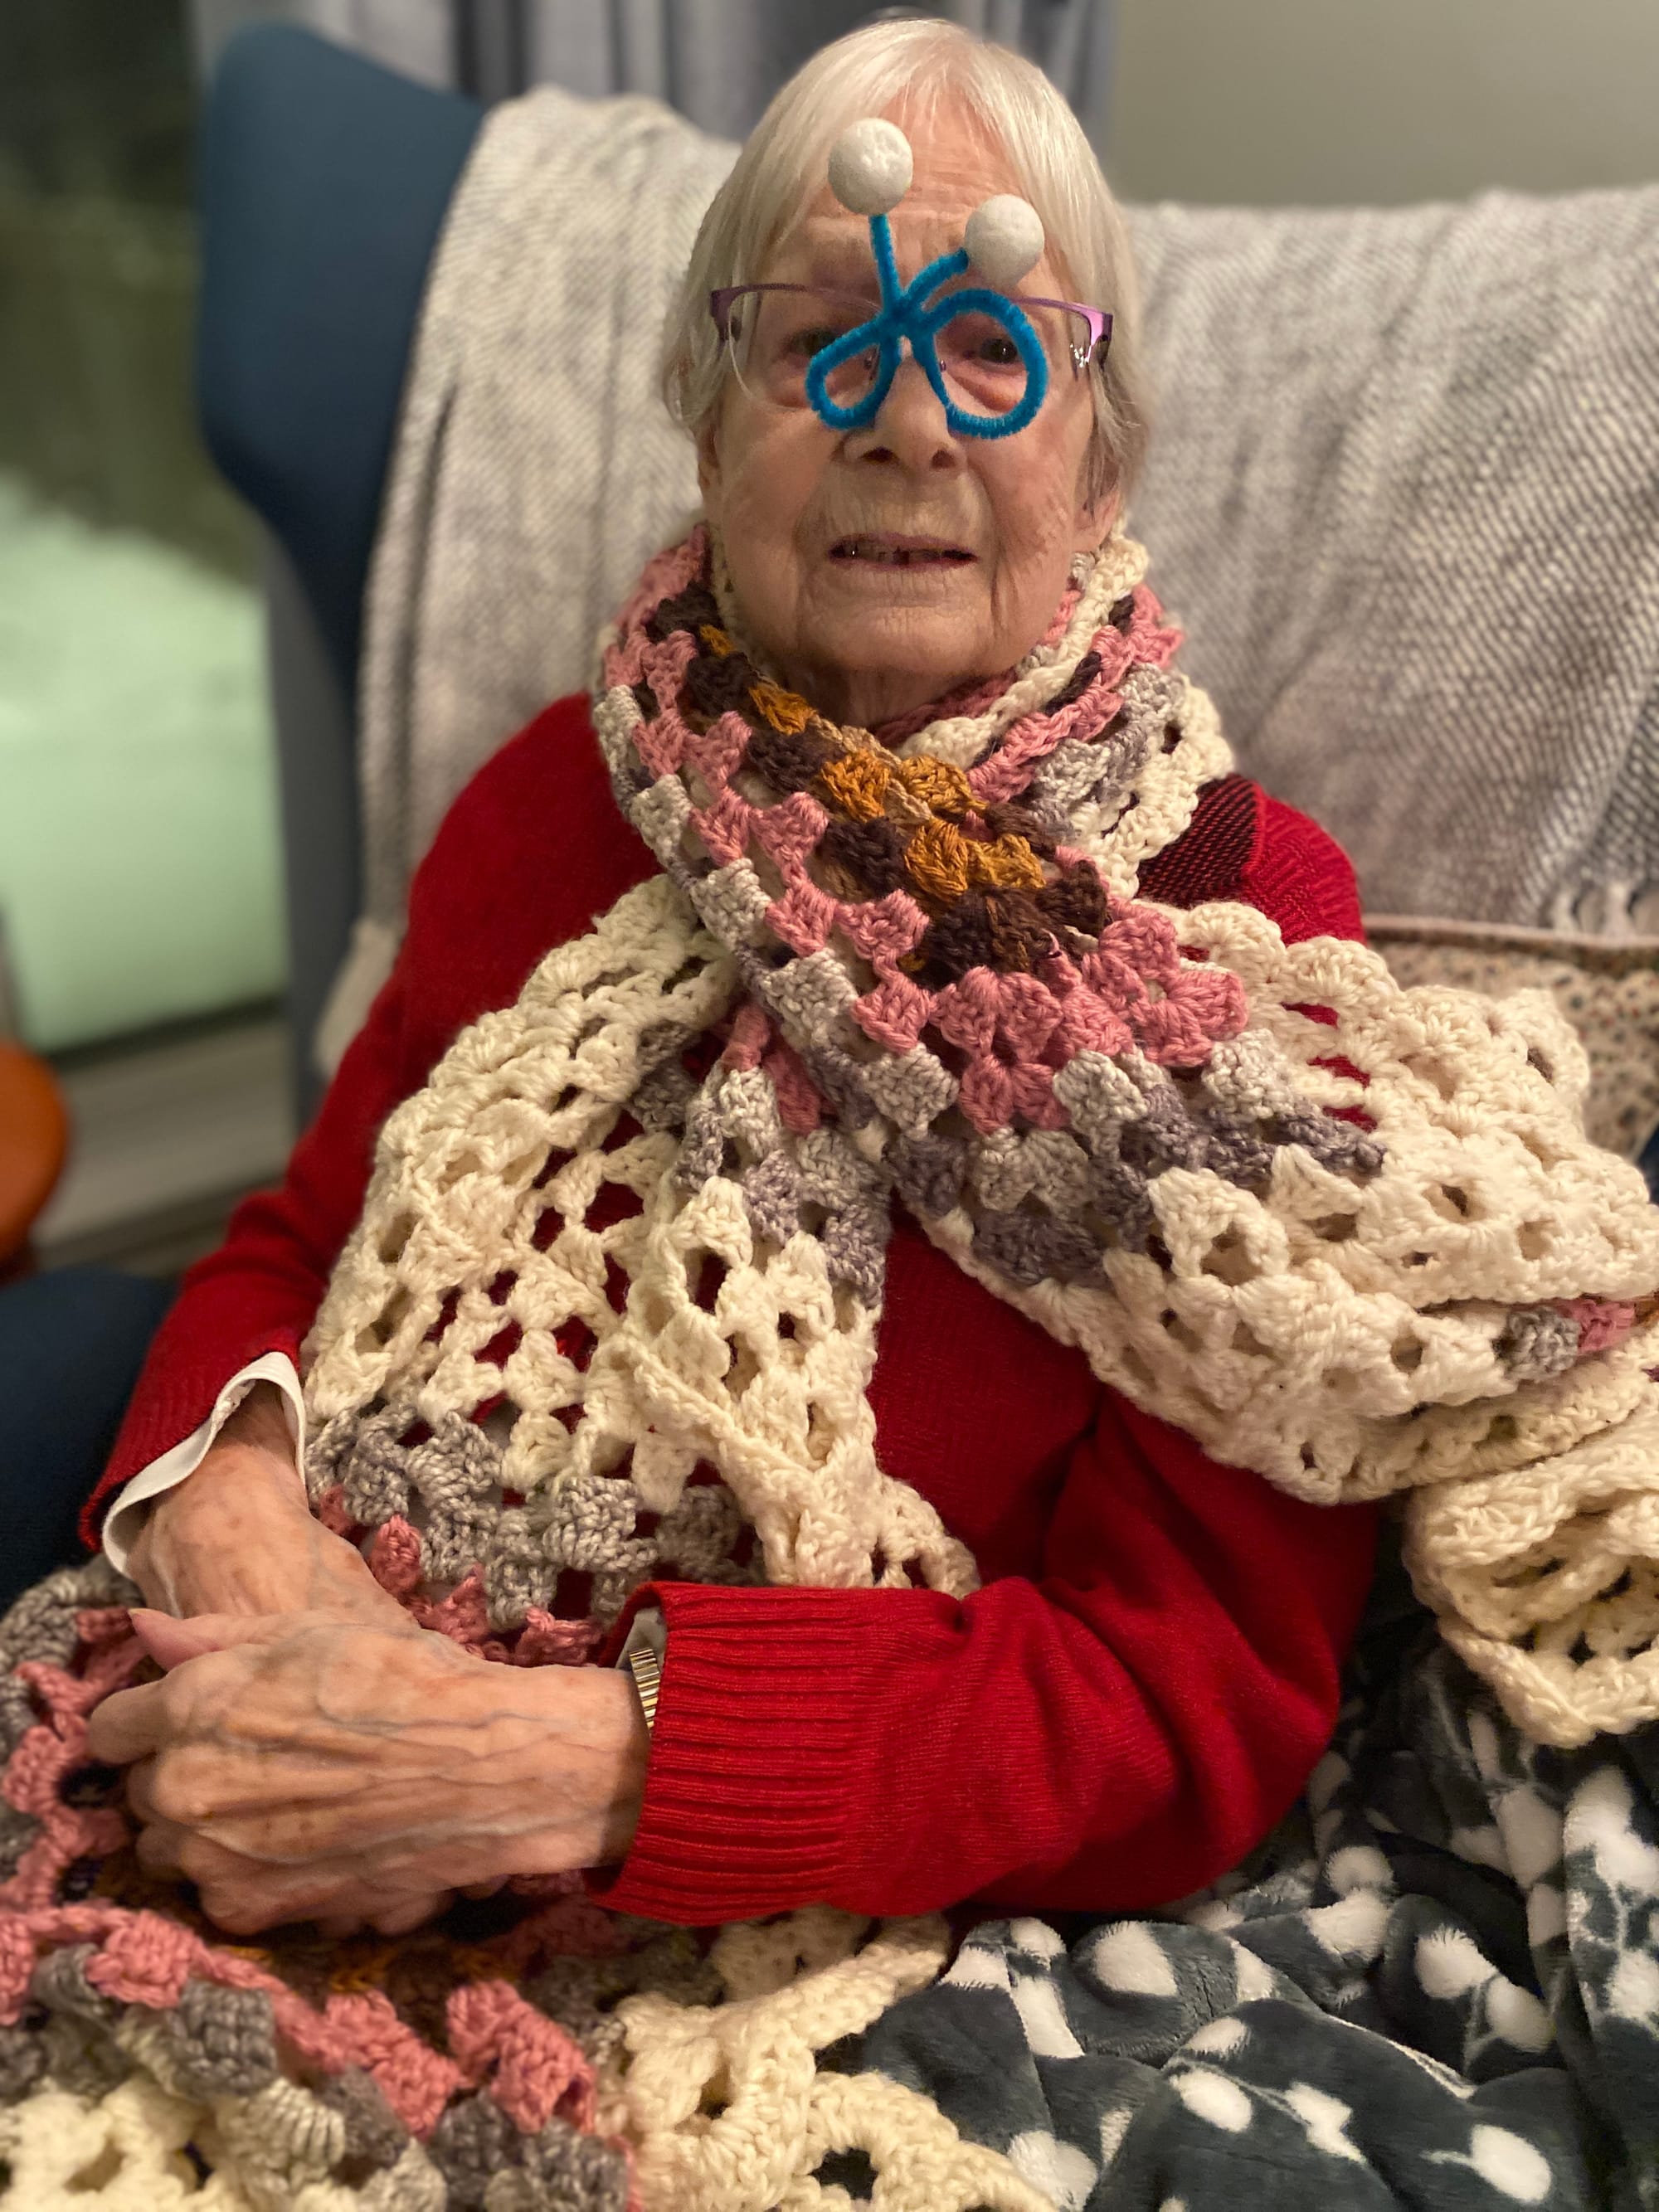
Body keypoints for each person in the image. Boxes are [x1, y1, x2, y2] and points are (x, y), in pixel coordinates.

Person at [80, 19, 1382, 1944]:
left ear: (1102, 466)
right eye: (819, 341)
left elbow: (1184, 1693)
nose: (908, 423)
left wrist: (554, 1766)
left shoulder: (1246, 935)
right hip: (265, 1727)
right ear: (712, 419)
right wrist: (232, 1517)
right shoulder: (548, 799)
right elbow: (292, 1242)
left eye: (993, 353)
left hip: (798, 1911)